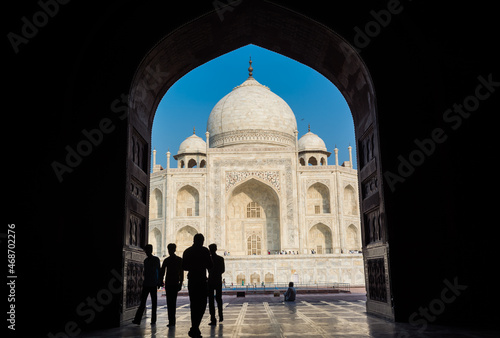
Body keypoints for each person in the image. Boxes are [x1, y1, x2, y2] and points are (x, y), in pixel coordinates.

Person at [182, 234, 213, 338]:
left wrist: (192, 266)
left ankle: (194, 327)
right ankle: (195, 327)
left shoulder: (187, 251)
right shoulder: (205, 251)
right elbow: (210, 266)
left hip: (192, 280)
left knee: (194, 304)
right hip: (201, 280)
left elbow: (184, 267)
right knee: (202, 304)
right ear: (202, 241)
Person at [132, 244, 161, 325]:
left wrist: (159, 281)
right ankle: (138, 320)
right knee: (143, 302)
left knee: (153, 302)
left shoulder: (155, 260)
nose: (146, 252)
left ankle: (153, 320)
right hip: (148, 283)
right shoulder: (147, 261)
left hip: (152, 283)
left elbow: (158, 270)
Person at [160, 243, 184, 327]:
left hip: (170, 282)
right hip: (174, 282)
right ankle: (172, 321)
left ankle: (171, 321)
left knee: (170, 302)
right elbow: (181, 273)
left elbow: (162, 271)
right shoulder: (179, 260)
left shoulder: (167, 260)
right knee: (172, 302)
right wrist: (180, 282)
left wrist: (160, 281)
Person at [207, 243, 225, 325]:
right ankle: (221, 316)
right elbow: (222, 270)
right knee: (219, 299)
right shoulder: (220, 259)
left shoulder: (208, 259)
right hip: (218, 280)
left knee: (211, 300)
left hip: (211, 281)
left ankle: (213, 319)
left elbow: (207, 269)